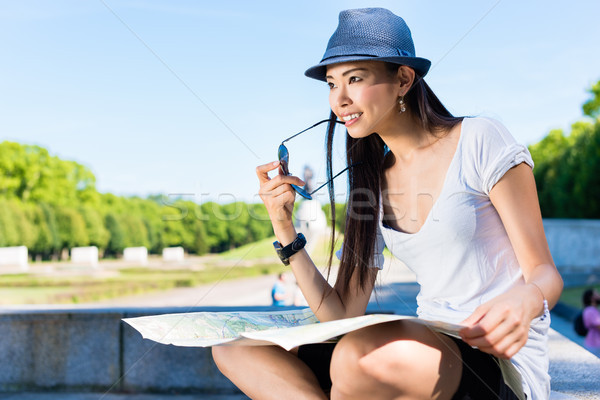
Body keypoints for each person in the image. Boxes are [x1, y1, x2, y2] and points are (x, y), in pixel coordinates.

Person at [213, 8, 563, 400]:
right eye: (331, 84)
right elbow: (342, 312)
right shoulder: (371, 183)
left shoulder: (480, 138)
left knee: (355, 357)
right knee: (234, 349)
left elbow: (546, 273)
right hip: (420, 356)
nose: (339, 99)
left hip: (494, 364)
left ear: (403, 79)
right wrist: (284, 227)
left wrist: (525, 300)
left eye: (355, 79)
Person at [582, 288, 600, 357]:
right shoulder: (591, 311)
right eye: (596, 294)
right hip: (595, 345)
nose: (599, 295)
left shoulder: (591, 310)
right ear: (592, 298)